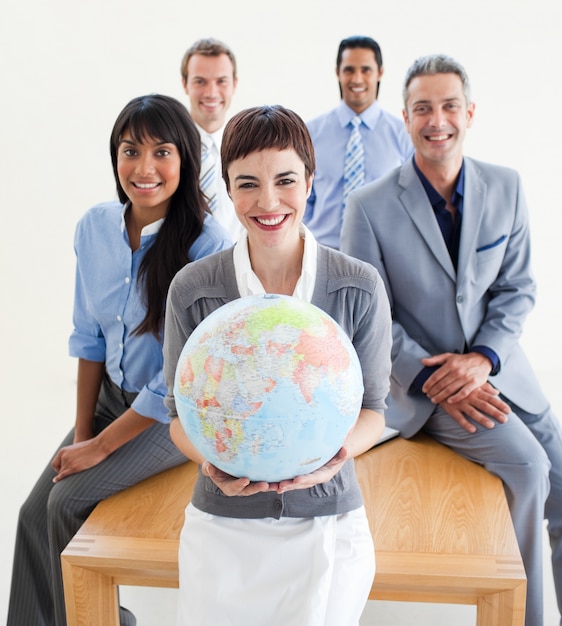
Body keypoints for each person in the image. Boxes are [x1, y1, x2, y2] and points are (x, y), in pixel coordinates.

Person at [340, 54, 562, 626]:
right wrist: (436, 377)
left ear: (469, 113)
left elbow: (518, 288)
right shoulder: (366, 207)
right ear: (404, 118)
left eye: (448, 106)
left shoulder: (506, 186)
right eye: (422, 107)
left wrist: (484, 358)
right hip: (422, 388)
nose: (436, 119)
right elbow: (366, 317)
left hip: (502, 372)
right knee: (528, 470)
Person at [7, 94, 232, 626]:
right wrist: (84, 434)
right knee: (29, 515)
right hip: (110, 400)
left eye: (162, 152)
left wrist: (102, 446)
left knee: (63, 507)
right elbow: (88, 338)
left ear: (186, 162)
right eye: (130, 151)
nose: (144, 168)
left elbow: (176, 380)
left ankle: (99, 620)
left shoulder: (207, 246)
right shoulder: (95, 227)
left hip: (170, 416)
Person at [163, 104, 392, 626]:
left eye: (286, 180)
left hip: (328, 524)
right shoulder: (193, 290)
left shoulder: (358, 286)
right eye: (247, 184)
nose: (268, 202)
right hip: (222, 529)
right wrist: (210, 463)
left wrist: (335, 456)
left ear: (310, 181)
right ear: (226, 188)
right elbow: (178, 416)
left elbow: (375, 410)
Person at [303, 35, 412, 249]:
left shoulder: (404, 135)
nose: (357, 79)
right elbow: (299, 196)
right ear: (338, 73)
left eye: (366, 70)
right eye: (349, 70)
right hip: (323, 251)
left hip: (383, 253)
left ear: (380, 72)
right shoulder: (310, 133)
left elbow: (412, 201)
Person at [181, 37, 243, 241]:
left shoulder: (249, 148)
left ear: (234, 84)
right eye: (200, 81)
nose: (211, 92)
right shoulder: (163, 148)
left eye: (221, 81)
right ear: (185, 84)